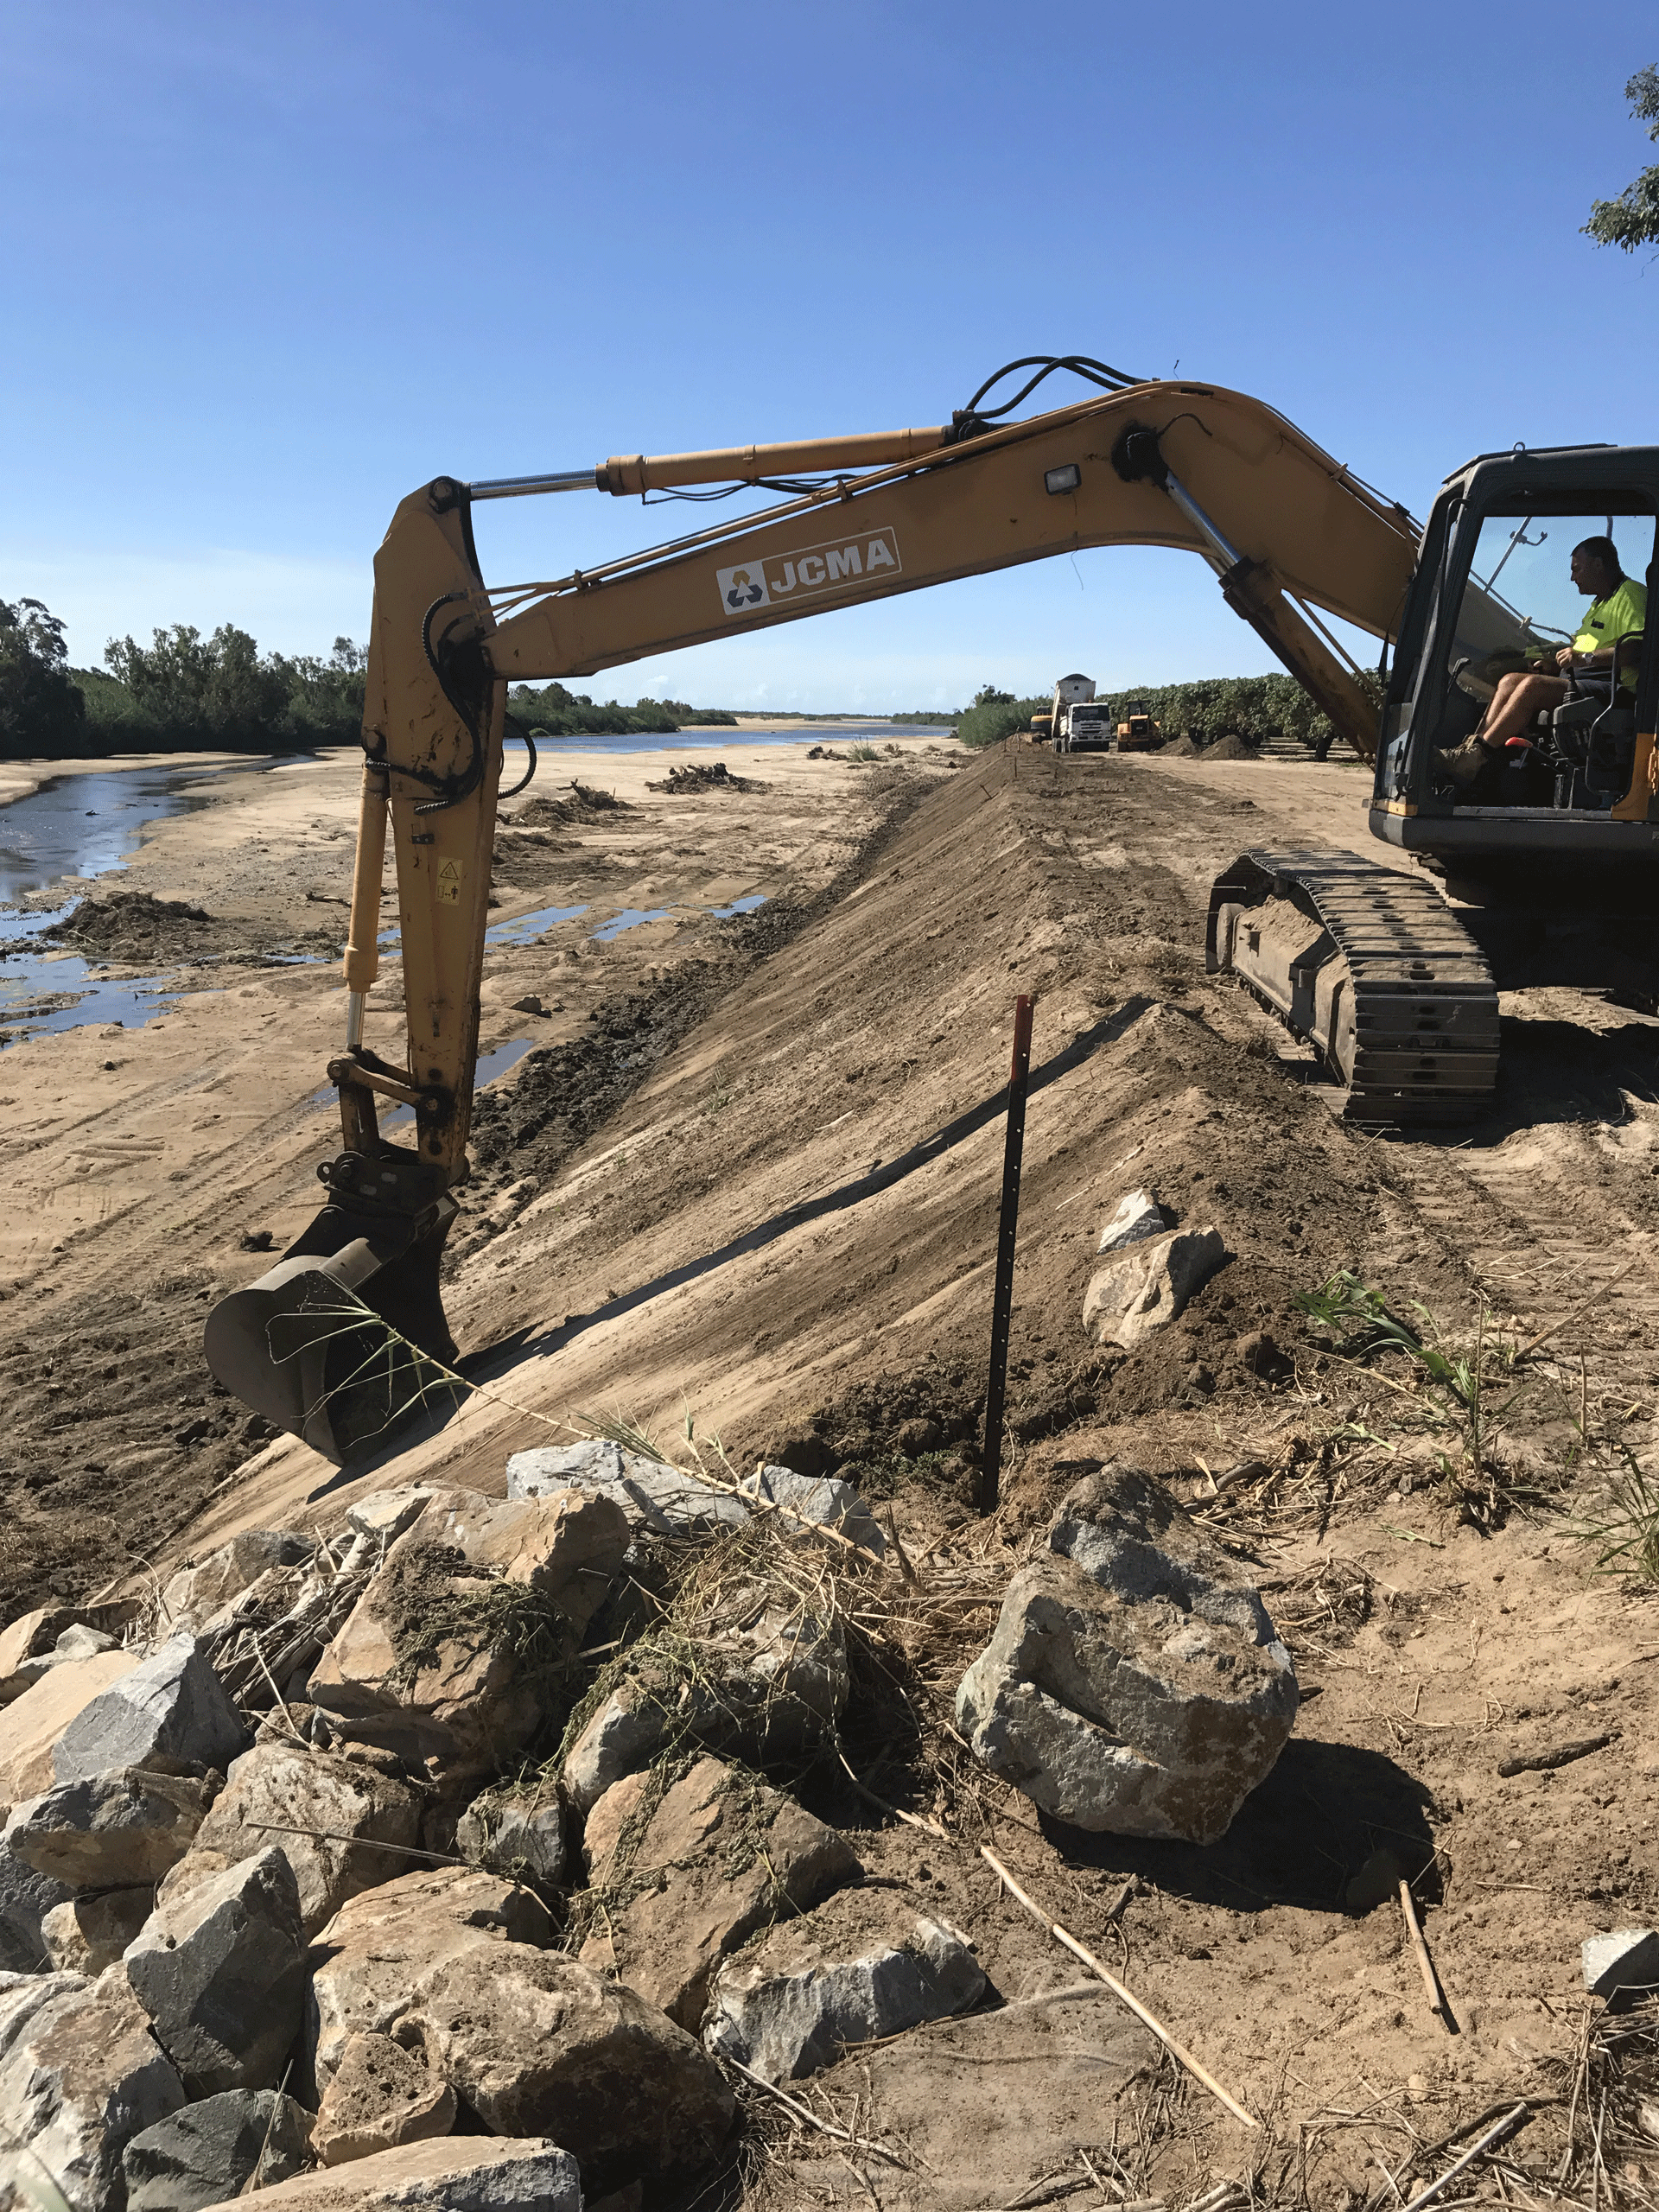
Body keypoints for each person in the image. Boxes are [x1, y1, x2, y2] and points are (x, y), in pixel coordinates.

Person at [1436, 537, 1646, 788]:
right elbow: (1584, 649)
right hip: (1586, 681)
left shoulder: (1631, 596)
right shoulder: (1599, 605)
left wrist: (1582, 659)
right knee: (1510, 680)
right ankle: (1472, 749)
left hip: (1616, 691)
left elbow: (1636, 650)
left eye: (1576, 568)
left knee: (1532, 687)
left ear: (1599, 564)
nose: (1572, 577)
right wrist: (1556, 666)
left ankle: (1476, 758)